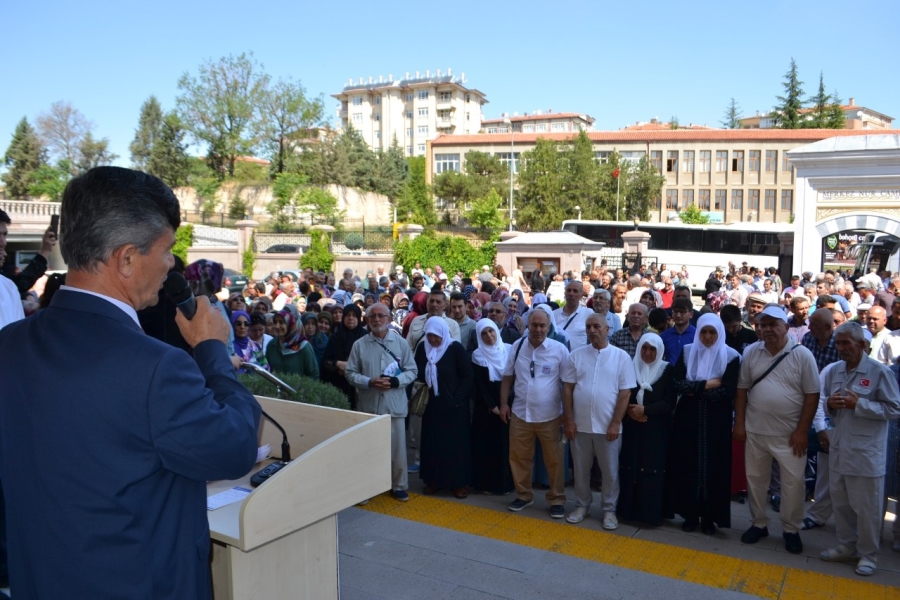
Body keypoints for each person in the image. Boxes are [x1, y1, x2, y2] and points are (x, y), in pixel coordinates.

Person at [0, 167, 261, 599]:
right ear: (125, 258)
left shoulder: (9, 344)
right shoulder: (157, 368)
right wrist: (211, 348)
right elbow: (233, 449)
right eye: (166, 250)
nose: (172, 264)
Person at [734, 305, 820, 555]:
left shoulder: (802, 354)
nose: (767, 329)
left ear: (786, 327)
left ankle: (791, 530)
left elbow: (812, 395)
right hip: (756, 432)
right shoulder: (752, 351)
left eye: (773, 324)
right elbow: (741, 389)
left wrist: (802, 430)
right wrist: (740, 423)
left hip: (790, 436)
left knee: (793, 485)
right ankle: (759, 523)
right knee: (756, 481)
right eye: (762, 324)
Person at [820, 322, 900, 576]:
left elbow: (894, 409)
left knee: (867, 509)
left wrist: (861, 405)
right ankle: (847, 546)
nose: (841, 348)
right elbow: (827, 405)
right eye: (838, 343)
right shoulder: (835, 371)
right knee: (841, 503)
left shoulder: (879, 372)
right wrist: (831, 405)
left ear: (862, 345)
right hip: (840, 448)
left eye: (846, 343)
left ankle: (868, 554)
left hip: (867, 454)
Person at [561, 315, 635, 529]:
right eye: (588, 327)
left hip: (608, 428)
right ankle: (582, 505)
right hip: (579, 424)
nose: (592, 330)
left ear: (607, 329)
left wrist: (615, 423)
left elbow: (625, 393)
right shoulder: (576, 356)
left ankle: (609, 510)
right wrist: (568, 420)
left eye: (596, 326)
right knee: (581, 469)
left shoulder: (621, 357)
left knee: (610, 471)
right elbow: (567, 388)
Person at [670, 314, 741, 534]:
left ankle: (710, 517)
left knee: (714, 466)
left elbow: (727, 391)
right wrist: (705, 385)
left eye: (713, 332)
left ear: (720, 333)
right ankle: (690, 514)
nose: (708, 337)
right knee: (688, 464)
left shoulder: (731, 356)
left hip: (716, 420)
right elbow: (677, 384)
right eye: (703, 332)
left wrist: (695, 389)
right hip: (688, 418)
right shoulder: (688, 351)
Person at [499, 309, 570, 518]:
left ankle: (556, 499)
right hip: (521, 413)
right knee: (519, 457)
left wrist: (567, 415)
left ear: (549, 327)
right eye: (534, 325)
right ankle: (523, 495)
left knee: (555, 460)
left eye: (542, 326)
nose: (538, 329)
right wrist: (504, 404)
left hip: (551, 416)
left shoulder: (559, 350)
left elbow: (567, 385)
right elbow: (507, 377)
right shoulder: (517, 347)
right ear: (527, 326)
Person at [346, 303, 418, 501]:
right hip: (368, 406)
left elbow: (412, 371)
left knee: (397, 450)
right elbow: (350, 373)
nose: (377, 320)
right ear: (367, 321)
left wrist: (396, 381)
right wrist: (369, 381)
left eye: (381, 316)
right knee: (368, 450)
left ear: (388, 319)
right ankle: (367, 489)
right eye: (372, 317)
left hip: (394, 405)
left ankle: (399, 485)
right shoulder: (359, 345)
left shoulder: (401, 343)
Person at [618, 333, 675, 526]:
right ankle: (628, 511)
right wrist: (631, 411)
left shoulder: (667, 370)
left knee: (652, 471)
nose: (648, 353)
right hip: (632, 428)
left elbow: (669, 402)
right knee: (630, 468)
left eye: (652, 349)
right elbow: (622, 393)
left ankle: (649, 515)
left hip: (656, 431)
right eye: (644, 348)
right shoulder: (630, 367)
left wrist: (646, 410)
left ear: (659, 351)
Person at [414, 318, 474, 498]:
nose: (432, 339)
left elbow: (467, 376)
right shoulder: (422, 348)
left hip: (454, 407)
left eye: (436, 336)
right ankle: (434, 480)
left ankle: (457, 483)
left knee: (454, 445)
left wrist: (457, 399)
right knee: (432, 443)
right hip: (432, 405)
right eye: (429, 335)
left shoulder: (455, 348)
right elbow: (416, 370)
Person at [470, 319, 514, 495]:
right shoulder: (477, 355)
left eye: (491, 331)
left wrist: (506, 404)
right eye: (484, 333)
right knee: (486, 446)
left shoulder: (509, 350)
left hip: (508, 404)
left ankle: (505, 484)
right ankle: (486, 484)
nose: (489, 336)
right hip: (486, 408)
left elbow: (514, 379)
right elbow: (479, 385)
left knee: (506, 445)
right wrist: (492, 406)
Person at [321, 304, 366, 410]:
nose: (351, 318)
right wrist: (337, 363)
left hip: (360, 388)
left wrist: (351, 367)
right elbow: (325, 361)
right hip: (339, 386)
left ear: (359, 318)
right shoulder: (335, 337)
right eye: (348, 315)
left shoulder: (366, 337)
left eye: (354, 315)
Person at [266, 309, 319, 379]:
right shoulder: (272, 345)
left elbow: (314, 374)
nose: (277, 326)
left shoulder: (303, 346)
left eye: (281, 322)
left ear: (290, 324)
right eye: (275, 322)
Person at [554, 281, 593, 349]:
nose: (571, 294)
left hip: (579, 358)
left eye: (575, 291)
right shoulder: (554, 314)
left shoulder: (588, 313)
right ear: (565, 293)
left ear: (581, 295)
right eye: (569, 290)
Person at [660, 298, 696, 366]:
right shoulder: (664, 336)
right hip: (669, 374)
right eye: (675, 311)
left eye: (682, 312)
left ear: (691, 314)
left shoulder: (697, 335)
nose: (678, 315)